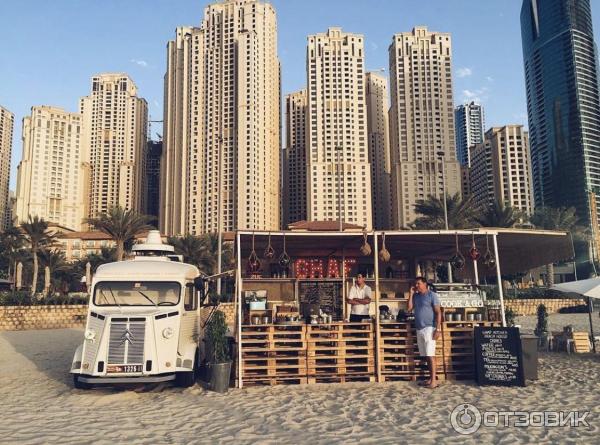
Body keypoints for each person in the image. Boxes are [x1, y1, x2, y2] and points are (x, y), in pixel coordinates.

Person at [408, 276, 442, 389]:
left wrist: (438, 329)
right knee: (426, 355)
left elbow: (438, 312)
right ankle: (430, 379)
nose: (416, 286)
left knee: (430, 354)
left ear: (424, 284)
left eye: (418, 284)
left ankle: (434, 381)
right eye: (415, 284)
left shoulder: (432, 295)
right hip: (419, 328)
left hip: (429, 328)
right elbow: (409, 308)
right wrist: (411, 293)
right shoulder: (416, 296)